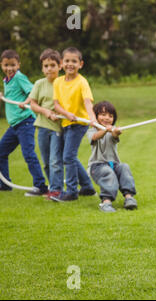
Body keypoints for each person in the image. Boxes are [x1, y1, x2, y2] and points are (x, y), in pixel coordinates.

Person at [50, 47, 97, 202]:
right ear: (62, 63)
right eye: (67, 61)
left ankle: (71, 192)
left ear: (80, 64)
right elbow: (56, 105)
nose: (70, 64)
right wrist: (66, 114)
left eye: (74, 61)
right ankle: (87, 187)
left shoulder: (82, 82)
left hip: (79, 124)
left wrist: (93, 119)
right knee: (70, 156)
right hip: (66, 122)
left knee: (68, 156)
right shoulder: (58, 82)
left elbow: (88, 102)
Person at [0, 49, 48, 196]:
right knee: (1, 152)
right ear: (1, 65)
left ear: (18, 65)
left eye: (13, 65)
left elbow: (33, 91)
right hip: (14, 125)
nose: (10, 68)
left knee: (28, 153)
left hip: (25, 121)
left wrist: (26, 102)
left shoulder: (19, 77)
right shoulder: (6, 80)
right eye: (6, 65)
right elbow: (12, 95)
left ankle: (40, 186)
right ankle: (5, 183)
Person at [25, 49, 64, 200]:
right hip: (42, 127)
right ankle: (52, 187)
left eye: (52, 65)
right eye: (46, 66)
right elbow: (33, 104)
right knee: (47, 162)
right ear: (42, 68)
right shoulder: (39, 84)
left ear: (59, 66)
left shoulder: (63, 83)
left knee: (55, 161)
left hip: (57, 128)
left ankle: (56, 190)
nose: (49, 69)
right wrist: (45, 111)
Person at [87, 101, 137, 213]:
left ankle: (129, 198)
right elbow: (95, 137)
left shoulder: (112, 130)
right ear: (96, 116)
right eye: (103, 114)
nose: (107, 118)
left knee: (124, 167)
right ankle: (106, 202)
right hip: (97, 166)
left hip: (113, 164)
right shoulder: (92, 130)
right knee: (107, 173)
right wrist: (105, 130)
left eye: (110, 116)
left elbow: (114, 136)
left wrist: (116, 132)